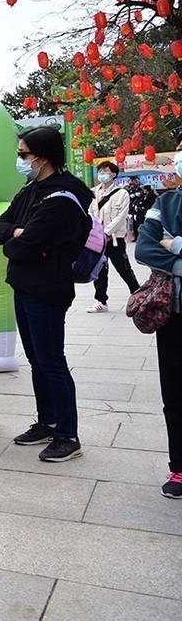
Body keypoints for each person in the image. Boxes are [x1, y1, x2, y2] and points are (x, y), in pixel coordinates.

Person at [0, 124, 92, 462]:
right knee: (37, 359)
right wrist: (16, 234)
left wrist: (17, 239)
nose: (20, 160)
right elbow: (0, 226)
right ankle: (47, 421)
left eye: (24, 155)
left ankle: (68, 435)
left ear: (43, 157)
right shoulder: (30, 189)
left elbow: (21, 246)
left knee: (51, 360)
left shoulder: (64, 196)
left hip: (48, 288)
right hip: (24, 283)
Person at [134, 149, 182, 498]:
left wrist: (174, 243)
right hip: (174, 314)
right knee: (175, 392)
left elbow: (162, 246)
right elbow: (145, 248)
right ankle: (178, 465)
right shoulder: (165, 202)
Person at [87, 161, 141, 312]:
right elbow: (90, 214)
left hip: (114, 239)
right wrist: (97, 233)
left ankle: (138, 296)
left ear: (113, 174)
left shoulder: (122, 194)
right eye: (100, 171)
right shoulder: (93, 193)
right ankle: (101, 301)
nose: (102, 174)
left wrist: (107, 232)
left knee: (124, 269)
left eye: (105, 171)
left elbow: (121, 216)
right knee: (99, 270)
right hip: (98, 240)